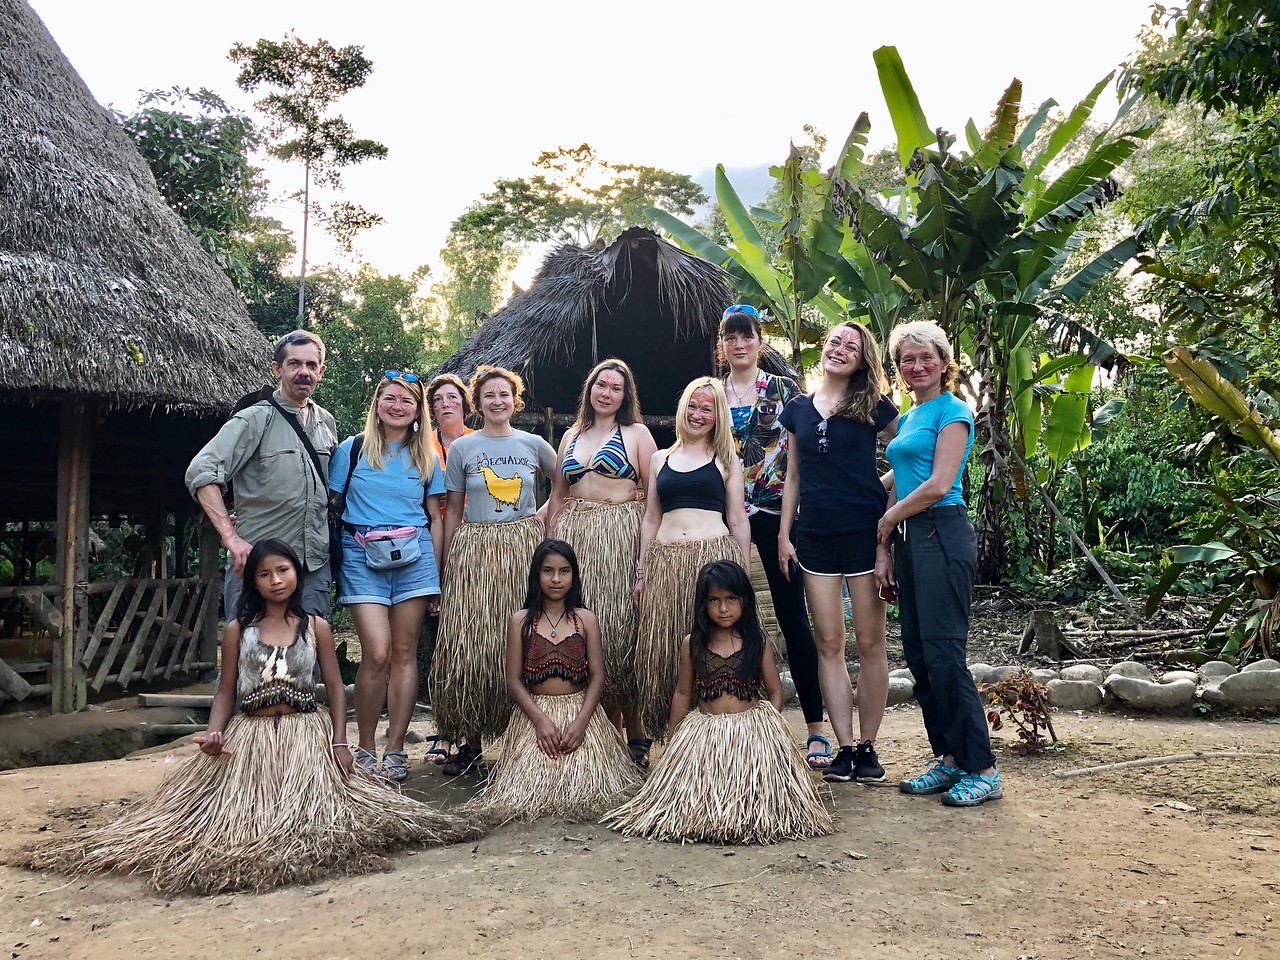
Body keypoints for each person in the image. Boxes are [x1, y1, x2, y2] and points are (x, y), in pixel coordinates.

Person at [16, 540, 481, 894]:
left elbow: (337, 690)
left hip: (305, 735)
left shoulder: (316, 626)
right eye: (265, 574)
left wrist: (341, 742)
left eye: (283, 570)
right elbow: (225, 690)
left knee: (320, 821)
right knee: (232, 824)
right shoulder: (237, 631)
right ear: (252, 581)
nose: (276, 580)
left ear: (297, 574)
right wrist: (214, 731)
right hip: (252, 738)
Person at [604, 560, 833, 844]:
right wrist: (675, 740)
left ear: (744, 601)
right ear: (703, 603)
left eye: (731, 599)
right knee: (696, 799)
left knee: (750, 799)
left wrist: (767, 730)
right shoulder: (693, 644)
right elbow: (683, 694)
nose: (723, 608)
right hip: (705, 735)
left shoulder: (756, 642)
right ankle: (704, 816)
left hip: (749, 734)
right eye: (715, 600)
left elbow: (774, 692)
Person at [878, 320, 1001, 807]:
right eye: (907, 359)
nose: (917, 365)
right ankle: (948, 759)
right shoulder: (913, 415)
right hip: (913, 539)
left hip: (942, 532)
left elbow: (937, 483)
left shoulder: (954, 412)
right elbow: (902, 474)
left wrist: (886, 520)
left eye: (926, 356)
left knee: (946, 655)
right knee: (920, 654)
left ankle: (983, 768)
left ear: (944, 361)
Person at [778, 320, 899, 785]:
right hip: (814, 537)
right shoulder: (798, 409)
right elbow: (793, 478)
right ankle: (844, 749)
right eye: (835, 342)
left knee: (870, 643)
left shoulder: (874, 405)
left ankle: (868, 747)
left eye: (852, 346)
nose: (840, 349)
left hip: (865, 537)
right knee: (829, 643)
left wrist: (883, 491)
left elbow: (909, 450)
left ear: (862, 358)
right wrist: (784, 535)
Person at [430, 365, 557, 776]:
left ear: (514, 400)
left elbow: (566, 486)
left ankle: (525, 742)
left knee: (523, 639)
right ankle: (470, 742)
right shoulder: (465, 450)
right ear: (477, 403)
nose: (497, 401)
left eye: (504, 394)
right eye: (488, 396)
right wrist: (447, 567)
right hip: (476, 553)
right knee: (474, 647)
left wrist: (539, 517)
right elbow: (451, 513)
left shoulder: (534, 443)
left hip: (522, 549)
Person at [718, 304, 827, 768]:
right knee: (721, 614)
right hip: (723, 517)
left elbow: (798, 459)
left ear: (761, 342)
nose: (740, 344)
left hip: (777, 513)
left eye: (748, 336)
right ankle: (730, 718)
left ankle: (817, 727)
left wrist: (788, 529)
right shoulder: (708, 393)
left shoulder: (785, 391)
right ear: (722, 347)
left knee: (792, 616)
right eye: (731, 337)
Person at [464, 539, 640, 822]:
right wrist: (541, 721)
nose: (556, 579)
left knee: (589, 791)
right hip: (535, 715)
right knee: (527, 796)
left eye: (564, 571)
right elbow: (513, 680)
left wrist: (582, 722)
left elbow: (597, 676)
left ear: (574, 576)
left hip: (580, 714)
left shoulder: (586, 619)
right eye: (548, 571)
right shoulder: (520, 621)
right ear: (536, 575)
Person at [329, 371, 444, 781]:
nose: (397, 406)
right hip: (362, 557)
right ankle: (365, 746)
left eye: (407, 401)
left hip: (415, 559)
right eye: (390, 399)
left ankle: (395, 749)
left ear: (418, 411)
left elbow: (435, 517)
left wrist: (438, 575)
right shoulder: (353, 449)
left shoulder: (427, 454)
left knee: (403, 653)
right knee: (375, 653)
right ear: (377, 404)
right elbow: (332, 505)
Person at [545, 359, 656, 765]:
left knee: (623, 631)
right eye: (601, 384)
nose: (606, 392)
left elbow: (653, 498)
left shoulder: (637, 434)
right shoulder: (572, 435)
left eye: (616, 387)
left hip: (619, 539)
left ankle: (636, 726)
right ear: (589, 388)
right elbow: (558, 496)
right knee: (590, 632)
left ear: (626, 397)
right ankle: (605, 732)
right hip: (577, 541)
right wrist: (550, 548)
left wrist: (643, 562)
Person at [186, 329, 338, 618]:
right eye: (294, 364)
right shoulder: (254, 418)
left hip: (313, 568)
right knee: (252, 655)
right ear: (277, 369)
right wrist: (230, 537)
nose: (303, 372)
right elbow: (201, 471)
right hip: (259, 567)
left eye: (311, 365)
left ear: (321, 371)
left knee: (310, 657)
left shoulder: (326, 423)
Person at [632, 377, 750, 743]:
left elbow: (738, 518)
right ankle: (675, 738)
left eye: (707, 409)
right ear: (683, 408)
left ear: (718, 417)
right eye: (693, 407)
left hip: (711, 560)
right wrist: (641, 572)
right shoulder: (659, 458)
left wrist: (741, 573)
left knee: (711, 646)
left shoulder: (727, 459)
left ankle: (716, 736)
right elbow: (651, 517)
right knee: (668, 650)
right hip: (665, 564)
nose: (698, 415)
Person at [425, 372, 476, 520]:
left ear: (464, 402)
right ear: (432, 408)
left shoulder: (480, 441)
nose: (445, 404)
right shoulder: (421, 444)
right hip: (434, 530)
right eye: (437, 399)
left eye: (452, 397)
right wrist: (430, 496)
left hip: (474, 530)